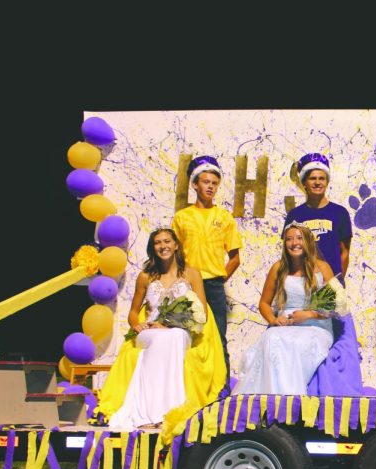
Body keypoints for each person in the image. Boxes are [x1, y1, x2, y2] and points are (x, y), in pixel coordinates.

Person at [98, 228, 226, 429]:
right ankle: (147, 414)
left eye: (167, 241)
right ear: (152, 248)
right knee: (161, 338)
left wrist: (169, 324)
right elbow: (133, 312)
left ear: (176, 245)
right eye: (157, 242)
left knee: (172, 337)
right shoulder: (145, 277)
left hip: (182, 330)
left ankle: (169, 412)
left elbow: (202, 312)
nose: (163, 246)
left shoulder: (192, 274)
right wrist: (136, 324)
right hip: (149, 332)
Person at [234, 223, 338, 394]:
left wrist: (308, 315)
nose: (294, 243)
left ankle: (291, 399)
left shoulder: (322, 267)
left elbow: (335, 305)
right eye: (289, 239)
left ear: (308, 242)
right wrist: (274, 320)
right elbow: (264, 303)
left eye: (299, 238)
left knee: (295, 344)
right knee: (271, 338)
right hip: (285, 327)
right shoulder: (278, 268)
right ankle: (272, 399)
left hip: (316, 327)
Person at [172, 155, 242, 396]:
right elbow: (174, 254)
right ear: (194, 184)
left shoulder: (224, 218)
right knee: (185, 336)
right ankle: (185, 389)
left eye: (215, 182)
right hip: (187, 286)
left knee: (218, 338)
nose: (210, 186)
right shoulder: (182, 217)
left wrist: (220, 278)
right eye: (205, 182)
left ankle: (221, 390)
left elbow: (235, 257)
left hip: (213, 286)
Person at [282, 153, 353, 283]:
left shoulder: (340, 213)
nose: (317, 182)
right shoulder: (294, 215)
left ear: (327, 182)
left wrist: (336, 282)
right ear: (304, 183)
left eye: (322, 178)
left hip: (330, 284)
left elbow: (345, 252)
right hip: (301, 284)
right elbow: (287, 254)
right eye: (312, 178)